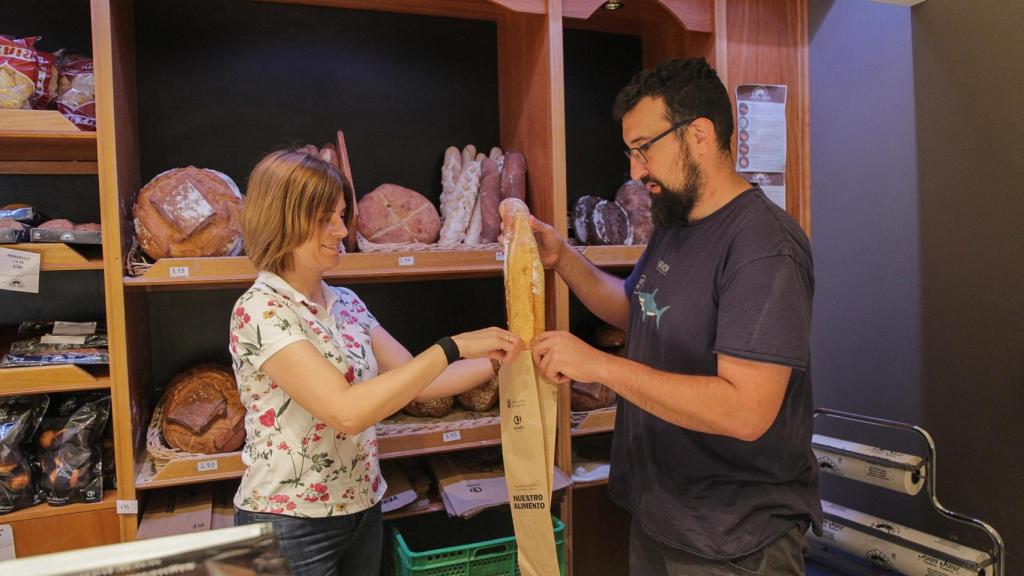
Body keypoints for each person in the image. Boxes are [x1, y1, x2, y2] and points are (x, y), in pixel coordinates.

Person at [530, 58, 821, 575]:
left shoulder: (763, 246)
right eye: (631, 152)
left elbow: (745, 411)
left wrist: (600, 366)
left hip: (737, 540)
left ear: (700, 135)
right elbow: (638, 308)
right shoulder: (676, 223)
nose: (635, 171)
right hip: (664, 517)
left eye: (644, 149)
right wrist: (561, 258)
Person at [229, 149, 520, 576]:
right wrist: (452, 346)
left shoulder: (345, 302)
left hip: (363, 507)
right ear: (284, 218)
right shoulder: (259, 310)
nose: (341, 230)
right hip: (288, 522)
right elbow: (347, 411)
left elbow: (414, 380)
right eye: (326, 218)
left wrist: (503, 360)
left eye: (342, 215)